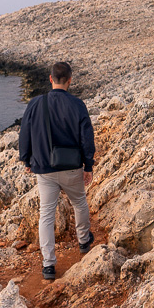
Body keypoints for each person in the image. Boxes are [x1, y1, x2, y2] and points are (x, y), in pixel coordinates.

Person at [19, 61, 95, 280]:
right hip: (72, 166)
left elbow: (25, 134)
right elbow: (86, 138)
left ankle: (49, 264)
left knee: (46, 214)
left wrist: (26, 160)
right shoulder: (78, 105)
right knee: (79, 203)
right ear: (70, 80)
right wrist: (87, 165)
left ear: (50, 79)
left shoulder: (35, 103)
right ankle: (83, 241)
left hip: (44, 168)